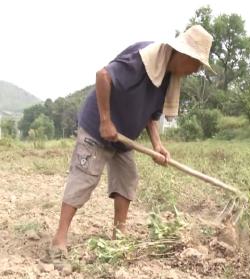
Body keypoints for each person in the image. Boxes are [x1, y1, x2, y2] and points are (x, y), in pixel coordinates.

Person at [51, 25, 214, 255]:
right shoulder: (143, 58)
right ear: (183, 54)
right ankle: (59, 239)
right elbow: (103, 75)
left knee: (127, 180)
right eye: (196, 63)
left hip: (124, 137)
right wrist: (105, 121)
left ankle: (119, 234)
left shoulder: (167, 77)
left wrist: (157, 145)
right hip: (97, 128)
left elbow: (150, 116)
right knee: (84, 178)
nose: (195, 70)